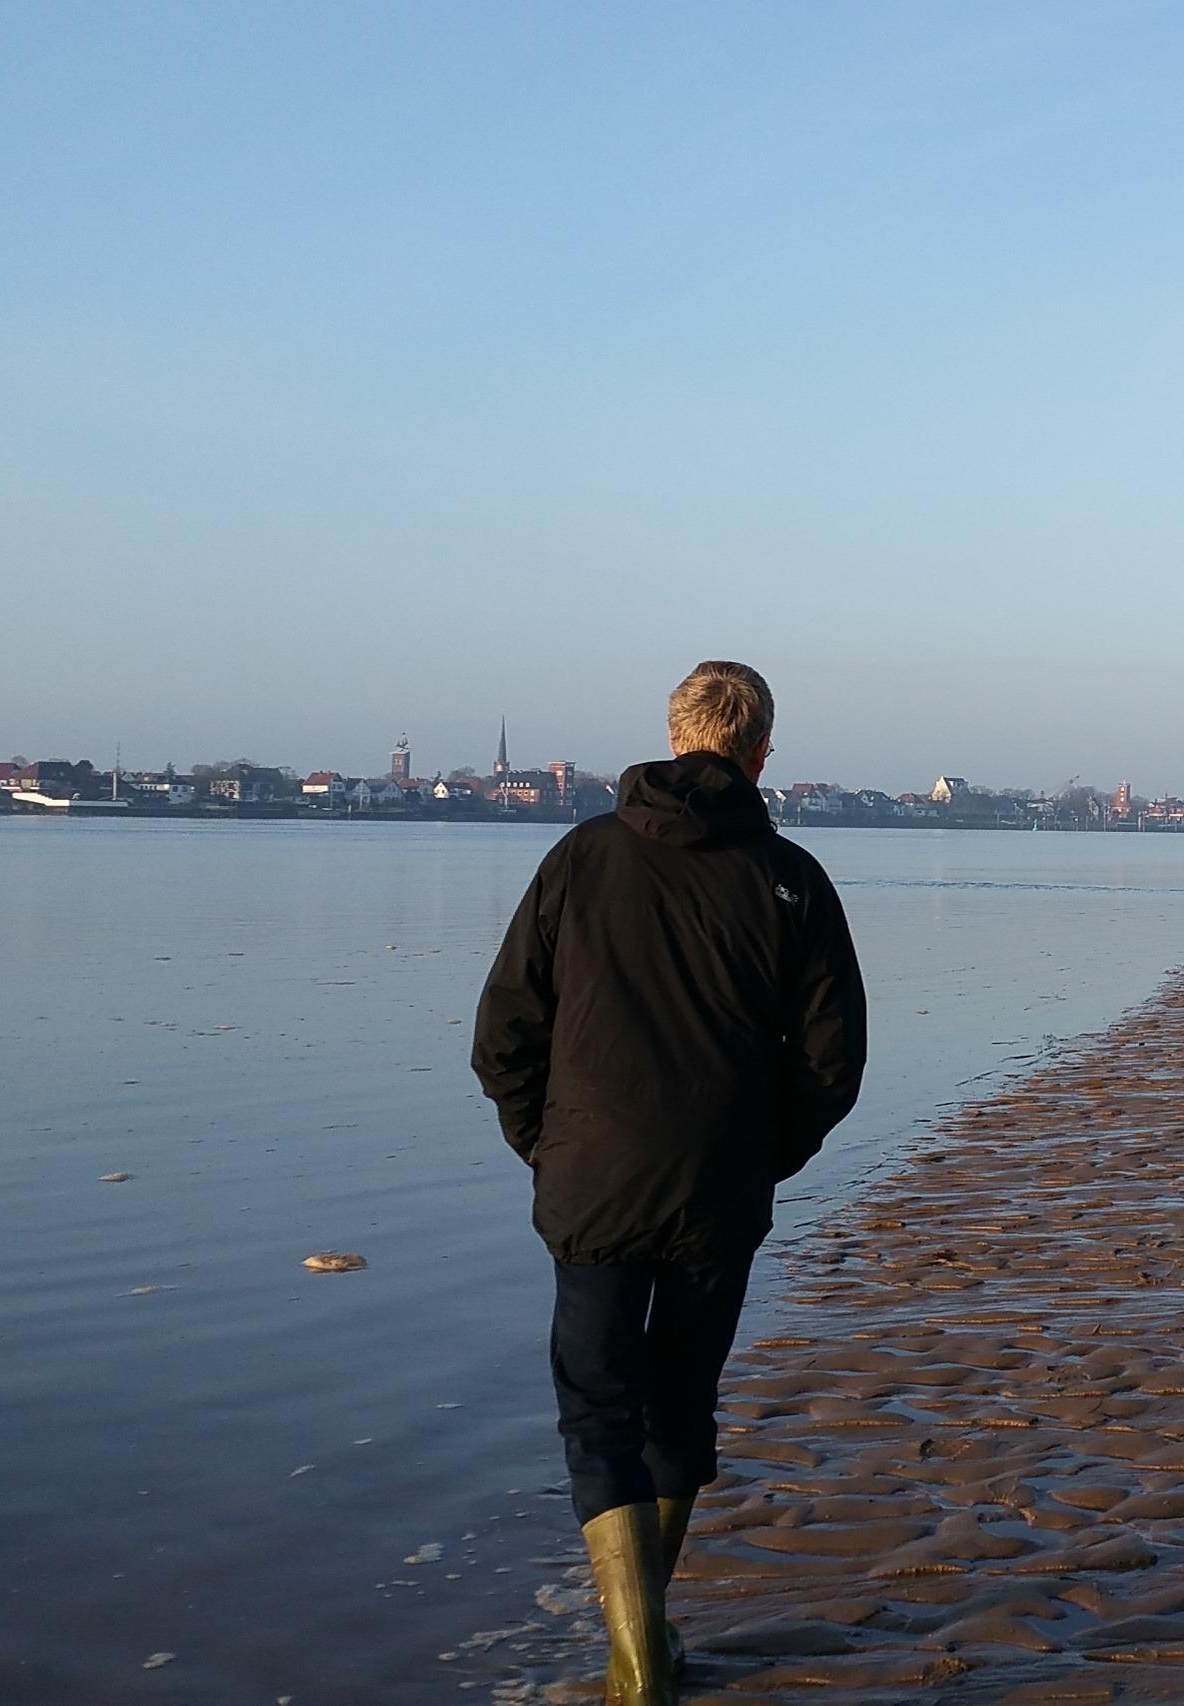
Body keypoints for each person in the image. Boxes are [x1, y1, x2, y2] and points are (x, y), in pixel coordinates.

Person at [472, 661, 866, 1703]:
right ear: (761, 752)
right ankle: (645, 1650)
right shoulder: (790, 877)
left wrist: (551, 1145)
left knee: (599, 1411)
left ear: (673, 733)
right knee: (679, 1405)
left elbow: (503, 1033)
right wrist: (758, 1153)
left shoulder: (580, 859)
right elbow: (832, 1064)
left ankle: (637, 1660)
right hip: (715, 1189)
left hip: (592, 1183)